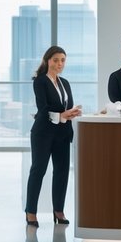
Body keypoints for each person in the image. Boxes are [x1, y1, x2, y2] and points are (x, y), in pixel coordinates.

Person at [25, 46, 81, 227]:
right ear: (48, 60)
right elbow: (43, 109)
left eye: (63, 60)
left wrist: (71, 113)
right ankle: (31, 212)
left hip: (63, 134)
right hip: (43, 133)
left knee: (62, 172)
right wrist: (62, 115)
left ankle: (58, 211)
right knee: (38, 170)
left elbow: (66, 107)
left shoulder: (65, 83)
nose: (59, 64)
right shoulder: (39, 81)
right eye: (56, 60)